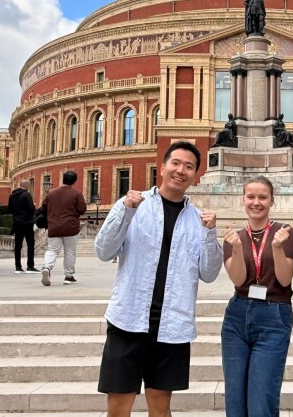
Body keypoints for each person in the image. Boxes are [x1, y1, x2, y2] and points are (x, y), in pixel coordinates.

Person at [94, 140, 223, 417]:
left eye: (188, 166)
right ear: (162, 168)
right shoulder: (132, 205)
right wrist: (126, 212)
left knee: (161, 409)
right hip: (128, 320)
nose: (181, 170)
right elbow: (104, 251)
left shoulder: (199, 220)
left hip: (172, 324)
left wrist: (210, 234)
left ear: (195, 175)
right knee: (118, 409)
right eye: (175, 163)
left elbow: (210, 273)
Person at [221, 176, 293, 417]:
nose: (256, 202)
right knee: (235, 401)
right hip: (237, 316)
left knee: (261, 402)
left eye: (263, 197)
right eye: (251, 197)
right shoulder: (234, 237)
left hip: (274, 314)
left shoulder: (284, 233)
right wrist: (237, 249)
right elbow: (238, 280)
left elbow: (285, 279)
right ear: (242, 200)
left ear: (272, 200)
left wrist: (277, 248)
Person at [40, 170, 87, 286]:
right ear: (74, 181)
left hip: (54, 226)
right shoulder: (77, 194)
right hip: (71, 227)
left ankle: (47, 267)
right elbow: (82, 209)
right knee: (70, 252)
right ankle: (69, 276)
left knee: (52, 250)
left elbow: (43, 207)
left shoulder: (51, 193)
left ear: (63, 179)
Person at [8, 180, 37, 274]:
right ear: (27, 186)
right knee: (30, 244)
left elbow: (10, 210)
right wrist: (34, 207)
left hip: (17, 222)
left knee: (18, 245)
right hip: (27, 222)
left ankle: (18, 267)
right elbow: (31, 209)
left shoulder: (12, 196)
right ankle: (30, 266)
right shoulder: (27, 195)